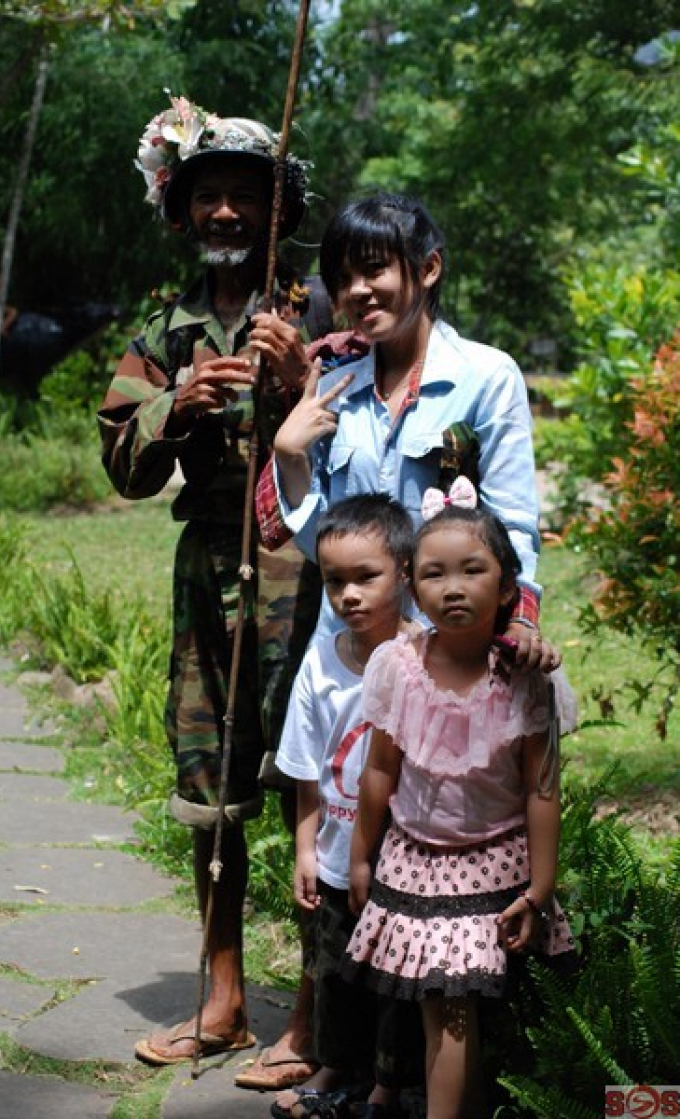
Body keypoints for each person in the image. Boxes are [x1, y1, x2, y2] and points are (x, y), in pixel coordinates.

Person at [98, 92, 323, 1081]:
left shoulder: (322, 303)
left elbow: (382, 430)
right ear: (182, 213)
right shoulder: (163, 325)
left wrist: (306, 374)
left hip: (314, 576)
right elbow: (123, 461)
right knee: (212, 788)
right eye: (209, 197)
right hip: (208, 583)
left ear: (281, 211)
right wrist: (170, 411)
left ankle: (318, 1015)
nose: (227, 212)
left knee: (319, 789)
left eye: (247, 196)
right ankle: (223, 996)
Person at [342, 496, 577, 1119]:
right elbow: (379, 771)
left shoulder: (528, 679)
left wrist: (541, 888)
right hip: (413, 866)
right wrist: (360, 858)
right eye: (433, 574)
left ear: (507, 588)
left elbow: (542, 788)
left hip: (494, 871)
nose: (453, 588)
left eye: (472, 570)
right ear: (413, 590)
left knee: (452, 1012)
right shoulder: (397, 667)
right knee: (448, 1012)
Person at [256, 191, 559, 671]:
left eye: (374, 270)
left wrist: (520, 619)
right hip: (348, 655)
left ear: (429, 268)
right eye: (343, 279)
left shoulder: (487, 377)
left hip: (449, 650)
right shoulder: (332, 388)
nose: (357, 290)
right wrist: (291, 456)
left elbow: (512, 519)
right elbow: (323, 547)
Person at [272, 494, 420, 1119]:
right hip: (335, 854)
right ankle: (337, 1065)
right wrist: (305, 848)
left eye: (367, 577)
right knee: (334, 969)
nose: (349, 595)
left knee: (395, 978)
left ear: (405, 575)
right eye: (335, 581)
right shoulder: (321, 663)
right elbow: (308, 768)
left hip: (406, 862)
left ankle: (387, 1087)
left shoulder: (425, 658)